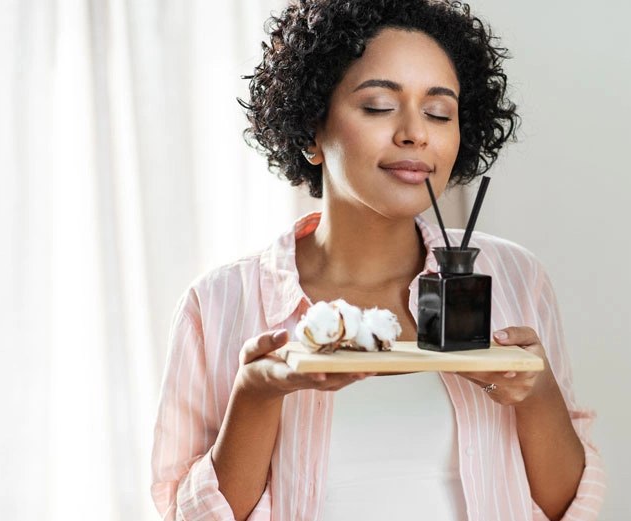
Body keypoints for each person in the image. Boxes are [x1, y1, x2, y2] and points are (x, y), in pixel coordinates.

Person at [150, 1, 605, 520]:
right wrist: (256, 395)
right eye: (378, 106)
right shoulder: (218, 303)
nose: (416, 132)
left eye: (439, 113)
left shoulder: (514, 278)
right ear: (311, 131)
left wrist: (536, 390)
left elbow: (566, 506)